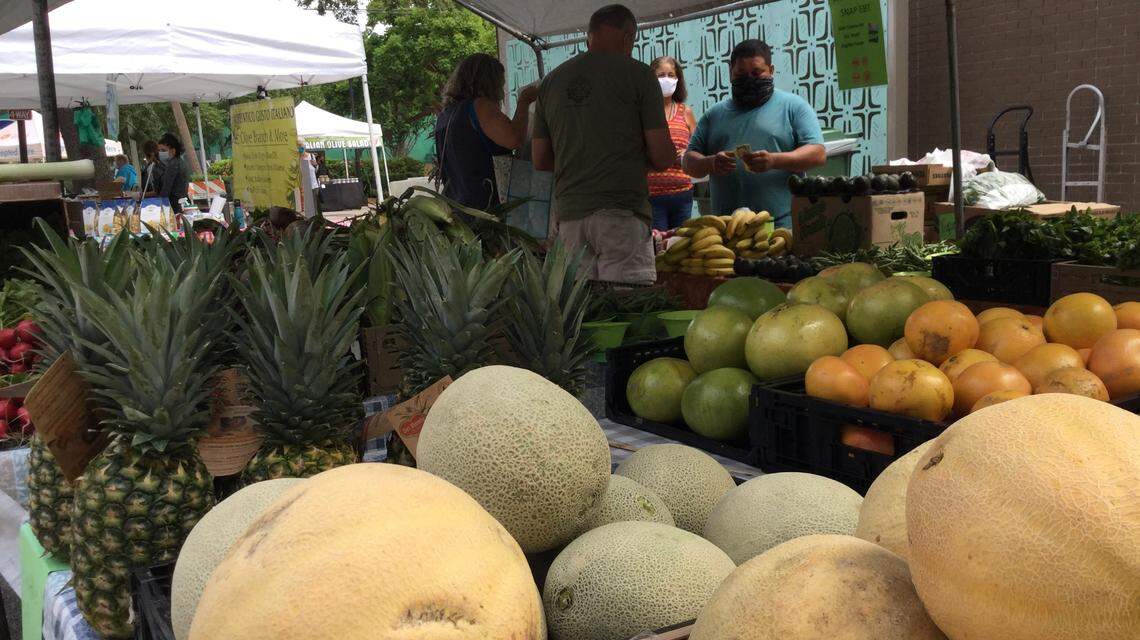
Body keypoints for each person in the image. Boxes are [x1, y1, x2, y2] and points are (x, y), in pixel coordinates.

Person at [532, 4, 675, 285]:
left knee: (584, 313)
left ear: (590, 36)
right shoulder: (639, 75)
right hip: (621, 212)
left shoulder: (551, 82)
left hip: (571, 216)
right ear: (627, 37)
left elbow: (540, 160)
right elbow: (661, 155)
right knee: (626, 308)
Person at [683, 39, 826, 228]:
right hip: (727, 230)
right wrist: (710, 163)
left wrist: (775, 161)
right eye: (741, 74)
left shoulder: (793, 106)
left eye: (757, 73)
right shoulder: (714, 115)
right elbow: (688, 162)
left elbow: (818, 153)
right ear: (730, 73)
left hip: (783, 226)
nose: (750, 79)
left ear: (771, 70)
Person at [434, 53, 538, 209]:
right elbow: (514, 139)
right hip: (486, 208)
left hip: (458, 207)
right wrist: (523, 102)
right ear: (490, 82)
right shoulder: (479, 106)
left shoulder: (445, 115)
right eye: (500, 83)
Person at [646, 55, 698, 231]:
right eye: (661, 75)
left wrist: (686, 154)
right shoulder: (642, 113)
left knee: (681, 247)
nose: (666, 79)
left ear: (678, 79)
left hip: (683, 194)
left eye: (671, 75)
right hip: (652, 195)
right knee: (659, 249)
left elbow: (698, 149)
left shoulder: (686, 112)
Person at [157, 133, 189, 215]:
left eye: (163, 150)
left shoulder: (173, 164)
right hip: (181, 202)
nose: (160, 153)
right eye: (159, 150)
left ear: (173, 150)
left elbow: (166, 188)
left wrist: (159, 205)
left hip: (174, 205)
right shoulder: (180, 161)